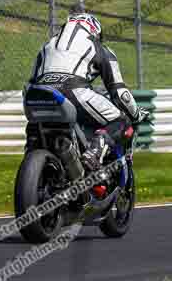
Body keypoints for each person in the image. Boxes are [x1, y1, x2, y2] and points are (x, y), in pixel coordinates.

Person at [26, 12, 149, 171]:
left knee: (34, 127)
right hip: (74, 92)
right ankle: (95, 152)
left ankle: (31, 148)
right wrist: (136, 114)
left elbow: (30, 83)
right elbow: (120, 93)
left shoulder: (46, 46)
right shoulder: (99, 47)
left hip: (38, 95)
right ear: (95, 31)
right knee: (122, 121)